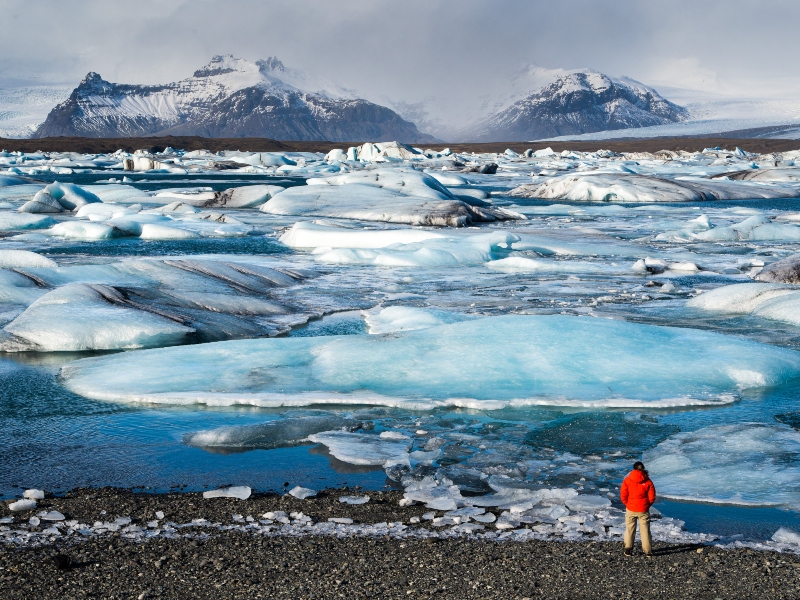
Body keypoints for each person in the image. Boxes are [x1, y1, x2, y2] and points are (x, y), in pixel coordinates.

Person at [620, 461, 656, 557]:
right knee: (645, 530)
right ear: (643, 468)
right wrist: (646, 505)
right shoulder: (648, 481)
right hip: (643, 509)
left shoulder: (627, 480)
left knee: (629, 529)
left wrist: (627, 504)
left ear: (634, 469)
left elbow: (623, 495)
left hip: (631, 508)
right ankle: (648, 551)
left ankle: (628, 550)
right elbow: (652, 497)